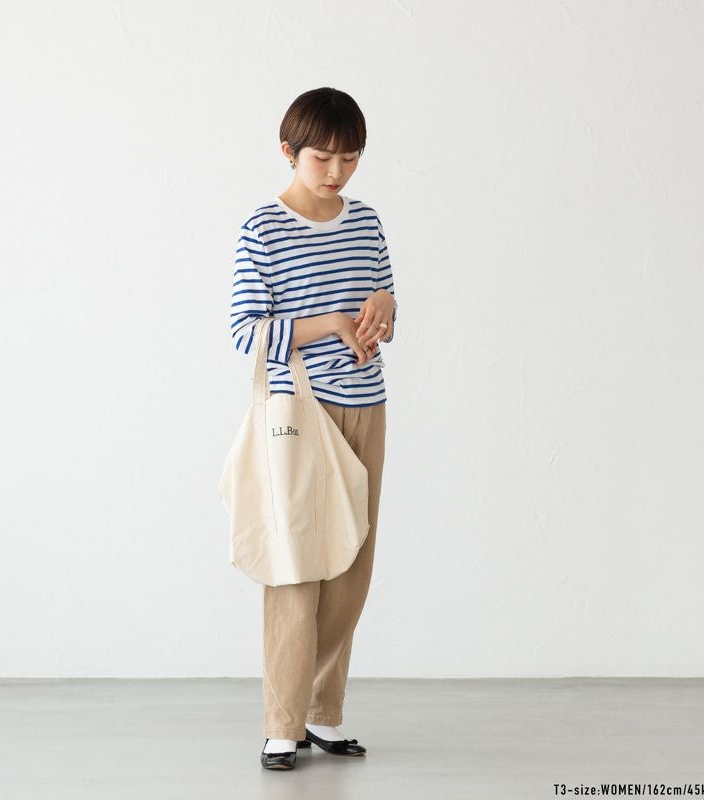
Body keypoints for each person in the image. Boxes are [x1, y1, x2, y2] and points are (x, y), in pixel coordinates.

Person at [229, 87, 398, 771]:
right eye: (322, 157)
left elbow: (382, 306)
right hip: (300, 415)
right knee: (296, 563)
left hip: (367, 404)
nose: (336, 172)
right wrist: (328, 322)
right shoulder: (263, 229)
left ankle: (323, 714)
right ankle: (283, 723)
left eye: (349, 158)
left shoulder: (367, 222)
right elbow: (245, 333)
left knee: (353, 562)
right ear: (288, 151)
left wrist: (384, 308)